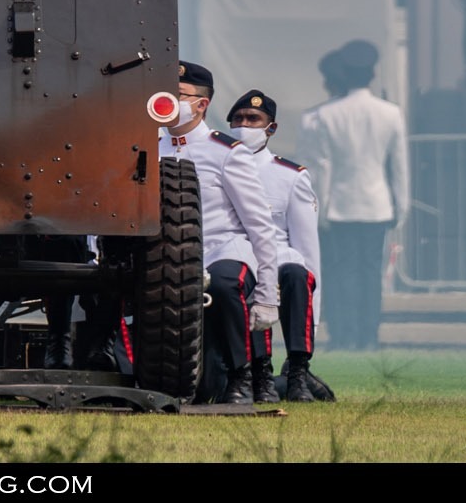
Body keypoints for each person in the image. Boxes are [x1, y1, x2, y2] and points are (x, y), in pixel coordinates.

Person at [156, 60, 279, 406]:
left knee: (226, 284)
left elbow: (259, 225)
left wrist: (268, 294)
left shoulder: (227, 152)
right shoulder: (149, 147)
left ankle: (243, 375)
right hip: (166, 257)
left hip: (221, 250)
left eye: (179, 95)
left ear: (202, 104)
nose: (170, 101)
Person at [224, 89, 326, 403]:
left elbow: (308, 248)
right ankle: (262, 374)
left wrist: (316, 314)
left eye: (254, 119)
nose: (245, 125)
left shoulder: (289, 176)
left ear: (271, 128)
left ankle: (298, 372)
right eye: (238, 119)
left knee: (297, 273)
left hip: (280, 259)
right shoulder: (219, 164)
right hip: (234, 256)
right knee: (248, 278)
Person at [306, 39, 408, 351]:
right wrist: (400, 207)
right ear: (372, 73)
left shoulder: (325, 115)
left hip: (339, 205)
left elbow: (321, 169)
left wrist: (318, 211)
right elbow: (399, 167)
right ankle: (369, 335)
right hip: (377, 205)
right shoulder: (390, 113)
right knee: (370, 275)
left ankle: (345, 334)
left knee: (342, 273)